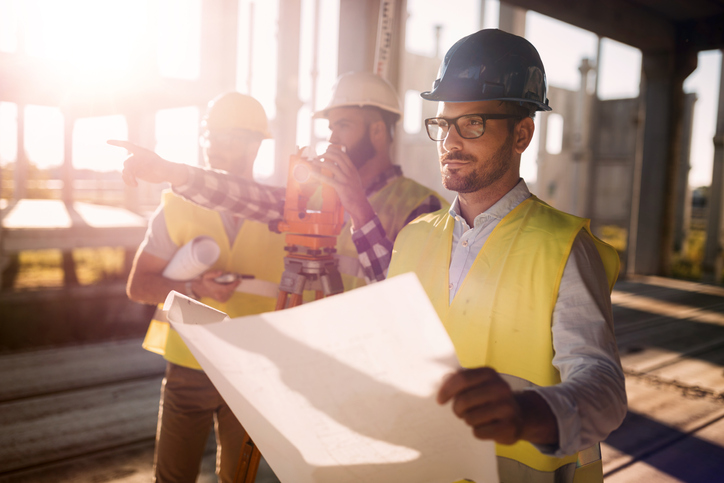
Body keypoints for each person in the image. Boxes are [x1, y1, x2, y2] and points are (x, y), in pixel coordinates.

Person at [387, 29, 627, 482]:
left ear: (522, 133)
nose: (450, 143)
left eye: (472, 123)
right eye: (443, 124)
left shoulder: (563, 247)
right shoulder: (413, 239)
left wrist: (527, 413)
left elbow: (605, 390)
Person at [115, 71, 448, 289]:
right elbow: (249, 197)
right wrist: (170, 172)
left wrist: (358, 206)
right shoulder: (320, 195)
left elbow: (410, 292)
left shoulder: (423, 205)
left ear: (377, 131)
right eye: (330, 127)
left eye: (343, 125)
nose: (332, 137)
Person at [121, 93, 286, 483]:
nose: (213, 146)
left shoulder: (281, 212)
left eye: (226, 137)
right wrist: (194, 286)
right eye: (209, 136)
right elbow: (138, 286)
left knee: (238, 479)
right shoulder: (176, 206)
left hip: (253, 368)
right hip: (188, 365)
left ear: (254, 143)